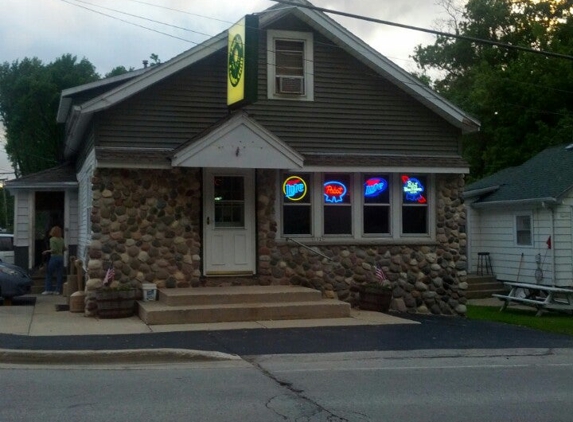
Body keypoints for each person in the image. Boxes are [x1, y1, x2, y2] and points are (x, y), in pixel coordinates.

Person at [42, 226, 66, 295]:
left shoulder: (52, 239)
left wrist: (46, 251)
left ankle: (48, 289)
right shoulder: (61, 239)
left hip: (54, 257)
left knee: (49, 273)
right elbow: (64, 248)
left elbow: (53, 250)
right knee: (59, 274)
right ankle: (57, 290)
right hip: (61, 257)